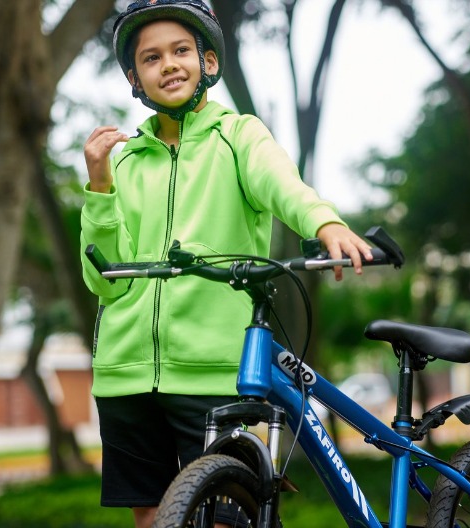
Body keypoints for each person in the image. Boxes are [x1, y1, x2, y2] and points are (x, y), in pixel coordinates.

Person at [80, 1, 373, 526]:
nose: (169, 64)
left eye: (180, 50)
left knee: (224, 517)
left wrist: (324, 224)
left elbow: (283, 186)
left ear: (208, 62)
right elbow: (104, 281)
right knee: (151, 518)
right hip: (124, 375)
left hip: (211, 369)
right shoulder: (123, 162)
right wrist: (99, 186)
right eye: (151, 57)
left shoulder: (238, 136)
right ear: (134, 78)